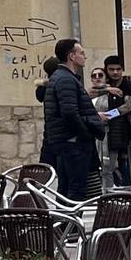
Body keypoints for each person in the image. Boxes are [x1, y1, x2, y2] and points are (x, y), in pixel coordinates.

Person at [40, 39, 105, 200]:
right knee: (76, 190)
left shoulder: (62, 77)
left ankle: (65, 225)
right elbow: (69, 112)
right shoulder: (65, 79)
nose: (84, 56)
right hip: (73, 144)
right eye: (81, 53)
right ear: (71, 56)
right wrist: (84, 134)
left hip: (67, 142)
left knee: (67, 188)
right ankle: (69, 225)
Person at [97, 55, 131, 188]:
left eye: (118, 69)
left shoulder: (128, 86)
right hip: (106, 134)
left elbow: (127, 107)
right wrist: (106, 88)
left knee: (126, 168)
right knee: (107, 168)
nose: (115, 72)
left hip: (125, 133)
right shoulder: (105, 84)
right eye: (111, 69)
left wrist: (108, 115)